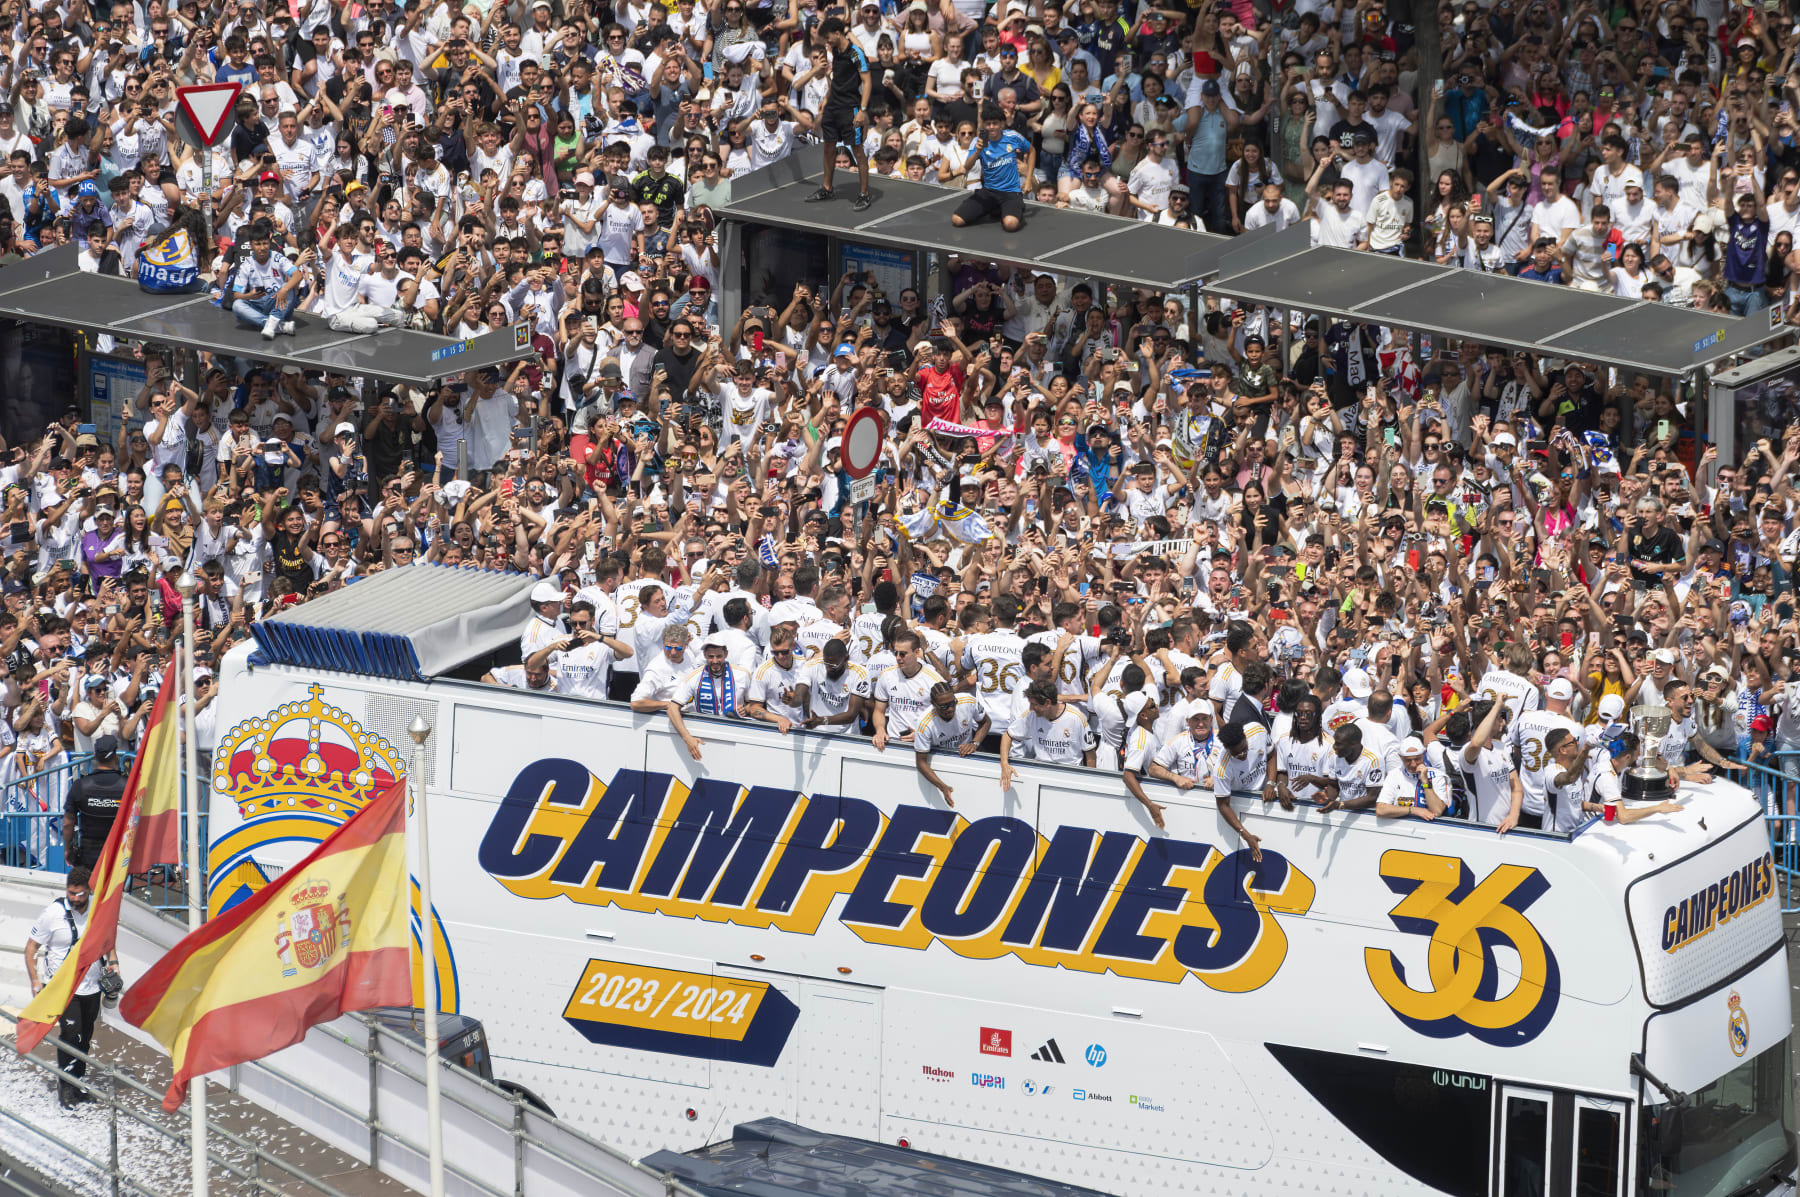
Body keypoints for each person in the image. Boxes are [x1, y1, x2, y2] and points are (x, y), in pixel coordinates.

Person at [24, 867, 115, 1108]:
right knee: (70, 1036)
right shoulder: (52, 913)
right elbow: (31, 947)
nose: (75, 898)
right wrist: (35, 979)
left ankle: (77, 1084)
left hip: (92, 986)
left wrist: (113, 962)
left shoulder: (97, 910)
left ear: (88, 892)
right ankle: (65, 1088)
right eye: (71, 893)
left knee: (85, 1039)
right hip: (64, 988)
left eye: (80, 894)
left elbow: (107, 939)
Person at [806, 19, 874, 212]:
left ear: (837, 34)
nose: (827, 42)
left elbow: (867, 82)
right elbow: (837, 78)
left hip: (851, 107)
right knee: (828, 146)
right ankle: (827, 188)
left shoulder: (856, 53)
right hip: (833, 107)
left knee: (857, 151)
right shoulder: (835, 51)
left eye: (828, 38)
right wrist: (827, 98)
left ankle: (864, 194)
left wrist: (862, 110)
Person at [951, 107, 1034, 233]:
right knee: (957, 220)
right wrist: (978, 151)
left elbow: (1032, 151)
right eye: (988, 124)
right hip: (988, 191)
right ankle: (995, 209)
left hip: (1011, 192)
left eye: (995, 123)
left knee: (1010, 225)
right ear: (984, 124)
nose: (991, 127)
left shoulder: (1013, 136)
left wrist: (1028, 180)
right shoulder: (976, 142)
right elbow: (966, 167)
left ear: (1001, 124)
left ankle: (1012, 209)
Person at [913, 681, 988, 805]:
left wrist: (974, 743)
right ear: (933, 704)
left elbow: (985, 722)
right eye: (944, 706)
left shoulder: (968, 701)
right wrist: (943, 787)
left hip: (968, 760)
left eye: (953, 703)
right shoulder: (924, 724)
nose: (950, 709)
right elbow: (921, 762)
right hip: (941, 766)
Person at [63, 735, 127, 869]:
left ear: (94, 755)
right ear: (115, 757)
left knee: (89, 887)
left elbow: (68, 823)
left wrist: (67, 847)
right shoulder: (127, 786)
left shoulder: (80, 785)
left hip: (88, 852)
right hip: (119, 852)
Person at [1374, 737, 1449, 821]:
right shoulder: (1394, 775)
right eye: (1408, 760)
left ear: (1423, 754)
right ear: (1400, 757)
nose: (1413, 764)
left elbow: (1437, 811)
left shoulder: (1438, 776)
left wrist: (1425, 782)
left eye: (1417, 759)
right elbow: (1381, 810)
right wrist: (1413, 810)